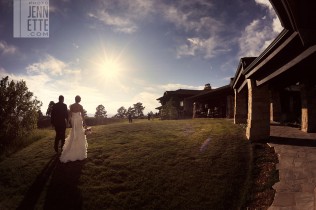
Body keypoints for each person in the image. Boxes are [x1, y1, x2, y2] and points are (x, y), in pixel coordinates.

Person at [60, 95, 88, 163]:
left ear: (75, 99)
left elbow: (69, 115)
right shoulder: (81, 106)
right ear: (79, 100)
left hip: (73, 120)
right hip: (78, 120)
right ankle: (79, 152)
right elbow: (83, 115)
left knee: (74, 132)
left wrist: (68, 123)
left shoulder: (71, 106)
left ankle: (71, 149)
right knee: (79, 133)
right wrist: (85, 123)